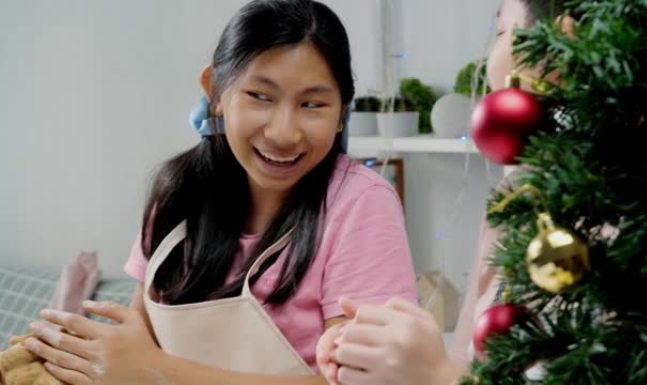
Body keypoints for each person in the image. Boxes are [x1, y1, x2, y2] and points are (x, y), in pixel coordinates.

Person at [22, 1, 417, 384]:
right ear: (215, 92)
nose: (284, 133)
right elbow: (137, 346)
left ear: (341, 112)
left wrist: (158, 373)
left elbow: (370, 382)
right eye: (260, 96)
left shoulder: (361, 204)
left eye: (312, 104)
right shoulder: (179, 192)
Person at [316, 1, 571, 384]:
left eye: (502, 33)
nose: (488, 64)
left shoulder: (620, 207)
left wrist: (432, 374)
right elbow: (465, 356)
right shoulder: (514, 192)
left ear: (563, 39)